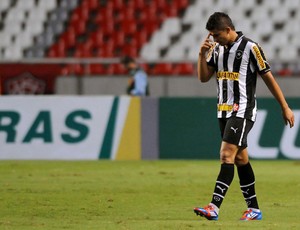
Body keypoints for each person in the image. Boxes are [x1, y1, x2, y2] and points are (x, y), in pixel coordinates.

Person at [194, 12, 295, 221]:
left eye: (217, 34)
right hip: (222, 110)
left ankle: (214, 206)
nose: (214, 38)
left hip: (242, 110)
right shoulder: (215, 49)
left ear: (228, 30)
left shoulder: (251, 48)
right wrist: (200, 55)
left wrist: (284, 106)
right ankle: (254, 209)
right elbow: (204, 78)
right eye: (211, 35)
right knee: (240, 158)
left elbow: (268, 77)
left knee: (226, 155)